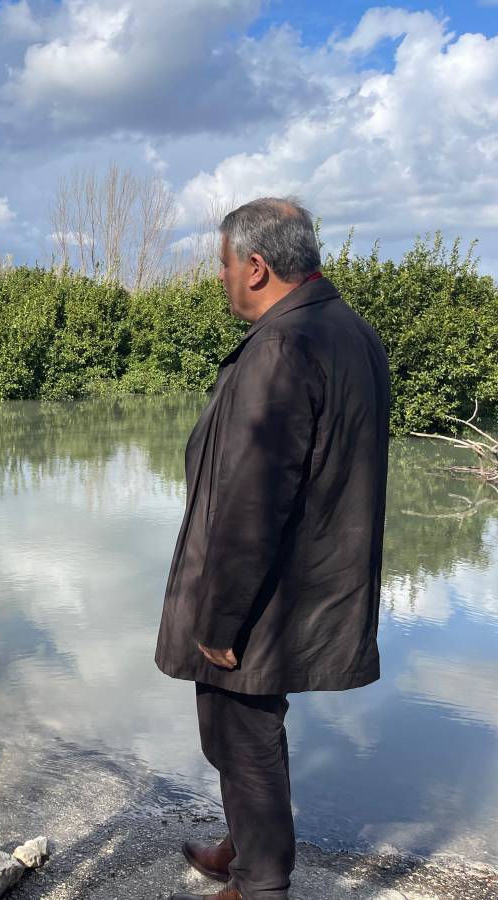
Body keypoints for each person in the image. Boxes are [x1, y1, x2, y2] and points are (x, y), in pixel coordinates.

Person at [155, 198, 390, 900]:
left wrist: (221, 620)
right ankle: (248, 842)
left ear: (257, 267)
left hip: (266, 586)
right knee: (244, 724)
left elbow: (255, 497)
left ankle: (260, 883)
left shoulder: (284, 347)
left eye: (223, 265)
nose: (219, 278)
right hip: (308, 574)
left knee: (240, 726)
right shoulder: (347, 329)